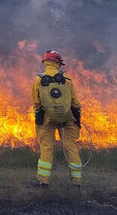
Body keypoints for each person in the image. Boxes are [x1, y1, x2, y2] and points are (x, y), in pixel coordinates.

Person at [32, 50, 83, 187]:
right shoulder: (67, 80)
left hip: (47, 119)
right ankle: (76, 182)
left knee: (47, 148)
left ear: (45, 62)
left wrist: (39, 117)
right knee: (70, 147)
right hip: (67, 118)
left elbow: (36, 103)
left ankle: (43, 182)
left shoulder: (39, 79)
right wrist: (76, 118)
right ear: (58, 63)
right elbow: (75, 102)